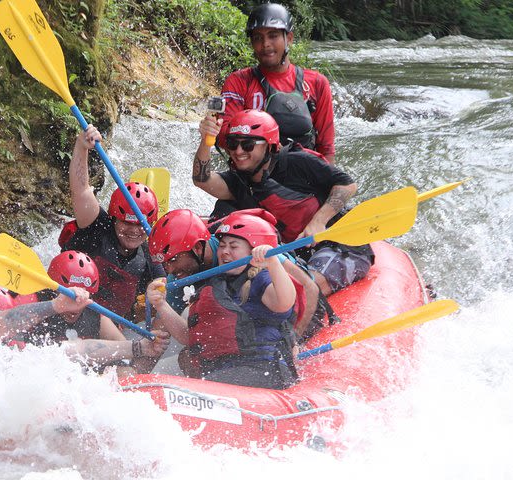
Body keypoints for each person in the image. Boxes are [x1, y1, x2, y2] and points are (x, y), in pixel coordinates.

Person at [193, 108, 374, 298]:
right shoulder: (238, 180)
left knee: (300, 291)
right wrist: (207, 140)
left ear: (269, 146)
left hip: (338, 244)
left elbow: (347, 185)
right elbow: (202, 179)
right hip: (294, 254)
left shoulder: (298, 162)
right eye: (232, 144)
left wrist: (318, 221)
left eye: (247, 145)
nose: (238, 151)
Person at [146, 211, 298, 390]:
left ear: (253, 252)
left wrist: (272, 261)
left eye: (233, 247)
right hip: (224, 371)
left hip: (262, 370)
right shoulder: (213, 286)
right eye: (223, 246)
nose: (225, 252)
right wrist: (161, 305)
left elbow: (285, 301)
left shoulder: (260, 279)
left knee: (202, 386)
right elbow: (190, 337)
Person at [148, 208, 325, 341]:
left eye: (173, 260)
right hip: (244, 330)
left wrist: (295, 341)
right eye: (164, 263)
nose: (169, 270)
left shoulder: (248, 249)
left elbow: (309, 287)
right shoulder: (179, 278)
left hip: (293, 317)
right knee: (187, 358)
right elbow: (159, 332)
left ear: (197, 248)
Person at [60, 125, 165, 319]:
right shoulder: (97, 226)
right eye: (126, 223)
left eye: (140, 224)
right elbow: (81, 190)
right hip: (69, 312)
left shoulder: (150, 254)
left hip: (109, 329)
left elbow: (164, 284)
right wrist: (81, 147)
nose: (134, 230)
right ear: (114, 219)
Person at [217, 3, 336, 163]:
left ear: (289, 38)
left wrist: (328, 180)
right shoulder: (238, 82)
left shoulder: (317, 83)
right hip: (252, 178)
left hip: (302, 176)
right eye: (258, 38)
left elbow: (326, 149)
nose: (265, 44)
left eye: (273, 35)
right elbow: (224, 136)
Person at [0, 286, 170, 368]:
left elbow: (72, 350)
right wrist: (55, 306)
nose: (14, 343)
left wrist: (139, 347)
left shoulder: (19, 356)